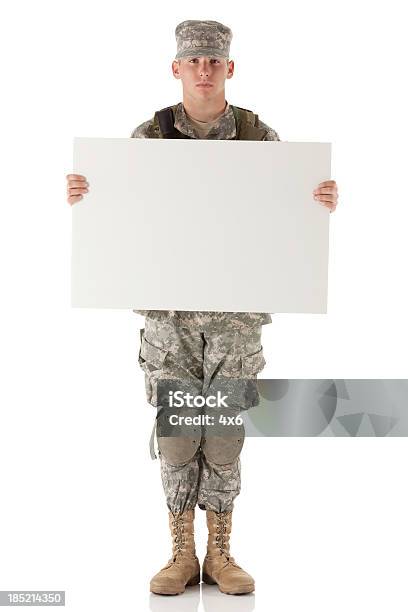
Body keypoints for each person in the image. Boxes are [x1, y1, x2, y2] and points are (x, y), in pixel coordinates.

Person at [66, 19, 339, 596]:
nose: (204, 70)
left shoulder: (259, 138)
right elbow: (125, 213)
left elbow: (286, 214)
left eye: (214, 61)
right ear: (177, 68)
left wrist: (317, 200)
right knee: (178, 433)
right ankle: (180, 554)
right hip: (170, 320)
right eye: (193, 62)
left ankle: (221, 552)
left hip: (235, 320)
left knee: (222, 431)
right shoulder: (152, 135)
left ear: (230, 68)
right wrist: (90, 195)